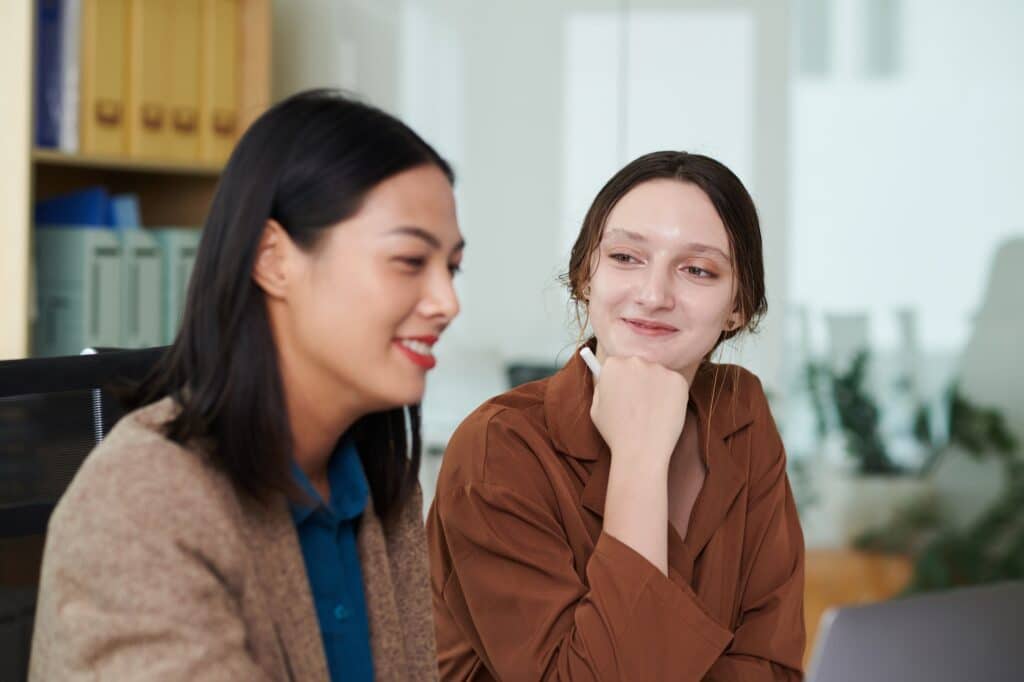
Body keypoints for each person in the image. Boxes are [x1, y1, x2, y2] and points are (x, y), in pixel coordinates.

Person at [29, 89, 464, 681]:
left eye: (452, 267)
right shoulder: (142, 504)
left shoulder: (380, 482)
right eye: (411, 261)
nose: (447, 302)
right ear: (272, 258)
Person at [427, 151, 805, 680]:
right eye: (626, 258)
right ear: (586, 276)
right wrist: (638, 459)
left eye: (697, 269)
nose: (653, 295)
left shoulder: (738, 411)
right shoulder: (498, 448)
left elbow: (774, 665)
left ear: (737, 306)